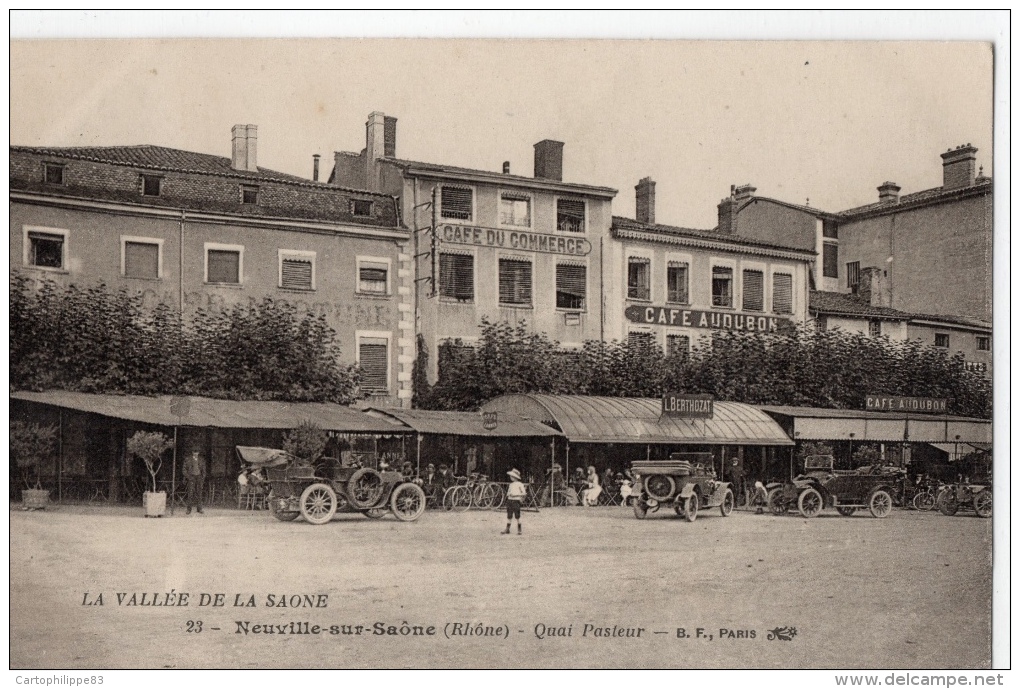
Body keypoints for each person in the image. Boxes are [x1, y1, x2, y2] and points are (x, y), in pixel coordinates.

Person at [502, 469, 526, 535]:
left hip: (516, 500)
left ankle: (519, 529)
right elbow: (508, 492)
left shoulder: (520, 484)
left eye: (512, 476)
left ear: (515, 477)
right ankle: (507, 528)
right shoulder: (511, 485)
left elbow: (524, 493)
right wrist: (508, 494)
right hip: (510, 500)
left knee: (517, 515)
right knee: (509, 515)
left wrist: (516, 495)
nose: (511, 477)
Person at [184, 450, 206, 514]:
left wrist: (202, 478)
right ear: (192, 452)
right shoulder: (188, 459)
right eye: (194, 452)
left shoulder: (201, 460)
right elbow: (184, 469)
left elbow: (204, 470)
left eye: (197, 452)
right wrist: (188, 477)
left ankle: (199, 509)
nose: (195, 453)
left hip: (199, 477)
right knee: (190, 493)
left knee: (199, 493)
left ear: (198, 453)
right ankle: (189, 509)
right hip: (191, 478)